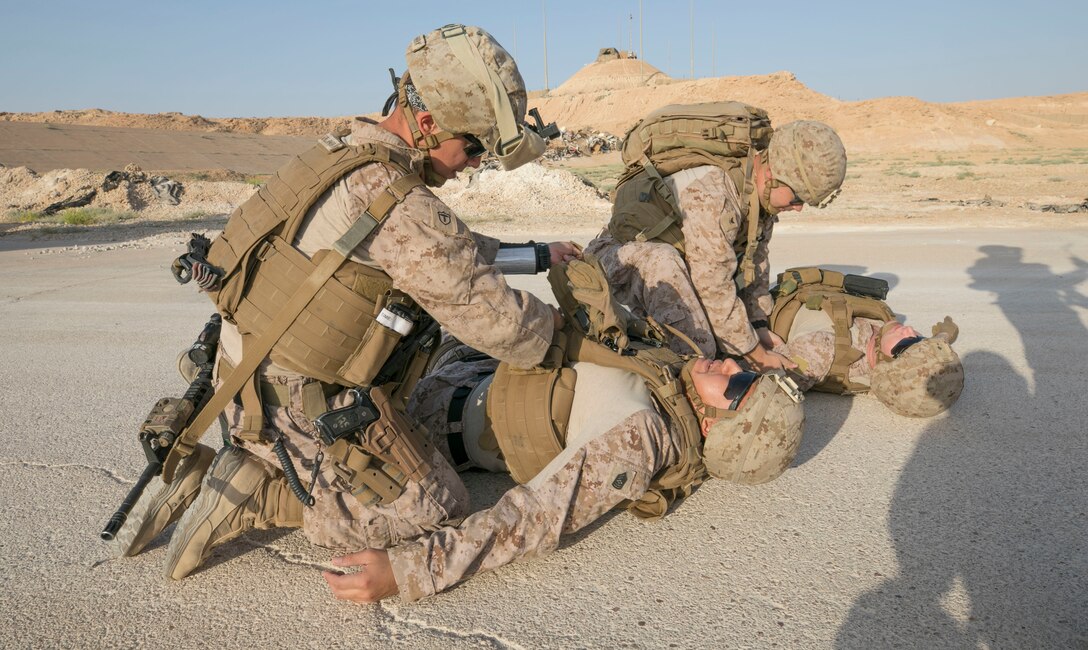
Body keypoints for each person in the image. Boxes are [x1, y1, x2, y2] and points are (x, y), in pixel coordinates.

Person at [111, 24, 581, 580]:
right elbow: (502, 326)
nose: (473, 162)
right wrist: (569, 331)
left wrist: (535, 255)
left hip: (238, 380)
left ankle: (204, 474)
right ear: (428, 124)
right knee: (435, 504)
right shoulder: (402, 203)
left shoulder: (343, 155)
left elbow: (446, 251)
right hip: (297, 409)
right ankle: (257, 494)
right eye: (473, 146)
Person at [320, 258, 806, 602]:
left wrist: (407, 572)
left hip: (421, 417)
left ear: (717, 427)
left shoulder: (641, 438)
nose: (728, 365)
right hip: (464, 362)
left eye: (739, 383)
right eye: (747, 372)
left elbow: (533, 518)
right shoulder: (674, 374)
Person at [584, 108, 847, 372]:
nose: (798, 208)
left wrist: (757, 326)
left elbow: (755, 264)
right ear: (770, 176)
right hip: (618, 263)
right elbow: (712, 286)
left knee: (728, 342)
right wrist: (755, 354)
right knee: (701, 354)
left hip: (677, 266)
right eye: (797, 198)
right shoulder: (714, 195)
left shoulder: (759, 200)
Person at [767, 267, 964, 417]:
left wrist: (767, 347)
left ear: (885, 364)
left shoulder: (822, 352)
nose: (911, 330)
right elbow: (930, 353)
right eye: (920, 338)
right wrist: (944, 335)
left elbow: (774, 388)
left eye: (909, 343)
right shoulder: (890, 343)